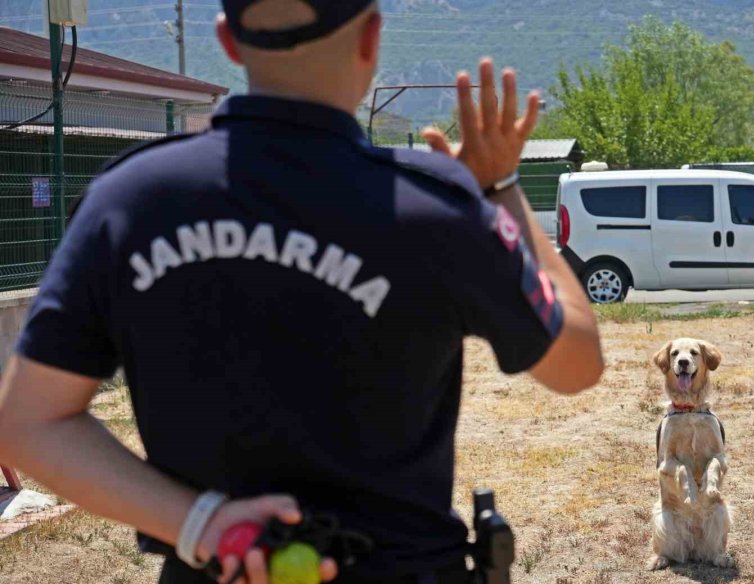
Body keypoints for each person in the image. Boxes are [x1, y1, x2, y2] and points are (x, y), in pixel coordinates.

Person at [0, 1, 604, 583]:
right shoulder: (433, 207)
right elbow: (576, 364)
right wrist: (498, 190)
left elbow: (29, 424)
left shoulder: (130, 200)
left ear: (228, 40)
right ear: (371, 37)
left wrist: (204, 525)